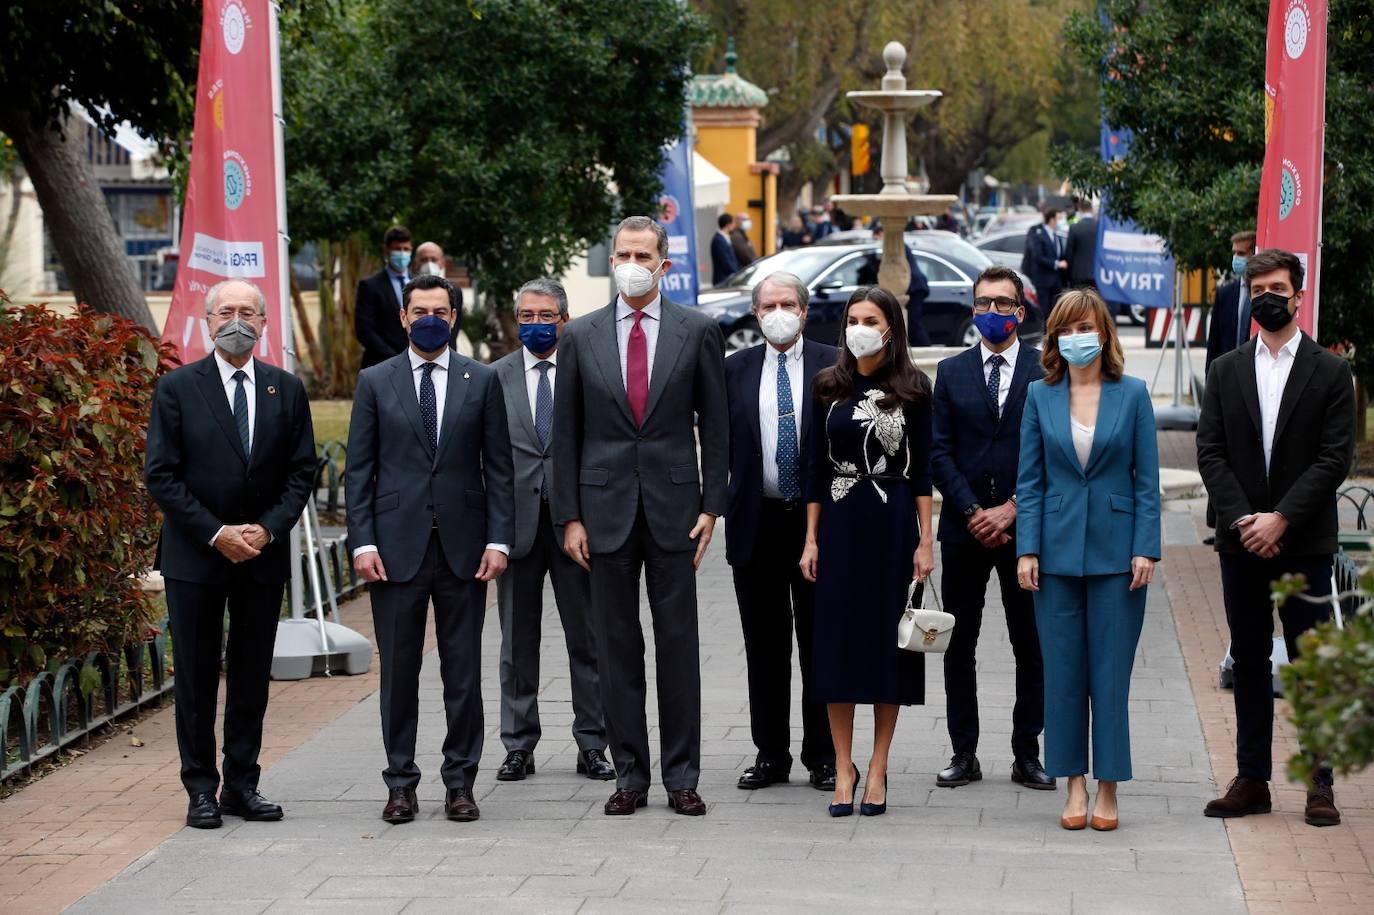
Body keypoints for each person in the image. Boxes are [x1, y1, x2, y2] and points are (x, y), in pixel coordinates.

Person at [551, 215, 729, 817]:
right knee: (616, 647)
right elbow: (566, 434)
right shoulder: (580, 336)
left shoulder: (698, 330)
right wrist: (569, 517)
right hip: (602, 513)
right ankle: (630, 774)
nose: (631, 262)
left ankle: (682, 775)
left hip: (675, 510)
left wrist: (712, 505)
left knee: (678, 645)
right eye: (622, 252)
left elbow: (718, 426)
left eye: (641, 253)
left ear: (663, 264)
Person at [144, 278, 316, 829]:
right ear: (207, 322)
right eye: (225, 312)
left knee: (249, 674)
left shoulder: (285, 389)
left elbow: (301, 471)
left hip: (261, 557)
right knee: (195, 676)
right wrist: (216, 532)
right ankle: (200, 789)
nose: (236, 321)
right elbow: (162, 476)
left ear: (264, 324)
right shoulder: (176, 388)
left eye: (247, 312)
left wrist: (265, 531)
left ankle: (243, 783)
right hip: (196, 557)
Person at [345, 273, 515, 825]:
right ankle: (400, 784)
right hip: (394, 552)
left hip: (465, 550)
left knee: (462, 673)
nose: (429, 319)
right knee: (399, 675)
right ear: (402, 317)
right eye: (419, 310)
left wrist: (498, 540)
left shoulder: (482, 380)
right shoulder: (375, 381)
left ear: (453, 316)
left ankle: (461, 783)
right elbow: (360, 472)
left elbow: (500, 468)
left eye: (440, 311)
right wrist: (363, 541)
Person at [1196, 248, 1354, 828]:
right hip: (1242, 543)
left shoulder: (1332, 371)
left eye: (1278, 287)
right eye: (1258, 286)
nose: (1268, 296)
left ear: (1298, 294)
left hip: (1304, 541)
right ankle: (1252, 779)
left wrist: (1281, 517)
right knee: (1252, 658)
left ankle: (1320, 782)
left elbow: (1335, 458)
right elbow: (1210, 452)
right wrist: (1245, 519)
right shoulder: (1226, 369)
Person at [1015, 287, 1161, 832]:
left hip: (1119, 555)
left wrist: (1146, 545)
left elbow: (1147, 482)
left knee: (1110, 674)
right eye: (1067, 329)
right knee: (1064, 675)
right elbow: (1029, 482)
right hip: (1051, 554)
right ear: (1055, 338)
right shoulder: (1039, 395)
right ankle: (1072, 784)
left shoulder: (1134, 394)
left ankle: (1109, 789)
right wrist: (1025, 547)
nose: (1078, 338)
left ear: (1104, 332)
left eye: (1086, 327)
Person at [799, 285, 935, 818]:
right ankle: (843, 765)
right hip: (838, 523)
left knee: (887, 650)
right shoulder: (826, 386)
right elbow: (813, 467)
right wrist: (810, 540)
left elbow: (922, 470)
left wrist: (926, 541)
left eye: (869, 318)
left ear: (890, 328)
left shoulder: (915, 389)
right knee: (836, 647)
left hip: (893, 523)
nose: (858, 326)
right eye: (852, 318)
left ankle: (877, 766)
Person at [930, 267, 1053, 792]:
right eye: (984, 303)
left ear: (1020, 313)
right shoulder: (950, 371)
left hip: (1025, 532)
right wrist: (972, 510)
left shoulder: (1045, 370)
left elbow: (1054, 450)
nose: (993, 313)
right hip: (964, 530)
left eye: (1004, 305)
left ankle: (1028, 753)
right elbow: (937, 451)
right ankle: (964, 752)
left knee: (1032, 644)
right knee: (961, 644)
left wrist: (1014, 509)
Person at [491, 278, 614, 783]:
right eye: (526, 316)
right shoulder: (493, 376)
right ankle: (519, 744)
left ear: (564, 319)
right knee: (517, 644)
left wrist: (584, 516)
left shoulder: (585, 373)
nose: (535, 324)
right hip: (516, 527)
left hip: (575, 527)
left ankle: (593, 743)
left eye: (545, 316)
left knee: (588, 640)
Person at [724, 272, 839, 792]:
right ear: (755, 312)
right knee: (764, 646)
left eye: (787, 303)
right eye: (768, 305)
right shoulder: (734, 369)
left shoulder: (836, 364)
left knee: (821, 641)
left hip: (819, 523)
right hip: (757, 522)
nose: (778, 312)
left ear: (805, 310)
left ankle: (824, 755)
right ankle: (770, 753)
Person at [355, 225, 413, 369]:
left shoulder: (420, 284)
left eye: (406, 249)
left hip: (415, 365)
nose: (402, 253)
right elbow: (364, 329)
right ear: (386, 250)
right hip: (380, 364)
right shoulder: (370, 286)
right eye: (397, 249)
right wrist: (394, 358)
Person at [866, 223, 931, 346]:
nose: (877, 240)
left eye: (877, 236)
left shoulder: (895, 245)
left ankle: (925, 346)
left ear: (881, 233)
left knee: (913, 322)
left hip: (914, 287)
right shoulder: (896, 245)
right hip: (911, 286)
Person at [1204, 231, 1258, 372]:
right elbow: (1214, 342)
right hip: (1228, 374)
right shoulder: (1225, 294)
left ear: (1255, 254)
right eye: (1234, 253)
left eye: (1241, 253)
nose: (1235, 259)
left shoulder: (1265, 293)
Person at [414, 240, 465, 349]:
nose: (429, 264)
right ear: (416, 263)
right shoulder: (408, 292)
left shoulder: (455, 291)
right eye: (424, 260)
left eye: (433, 259)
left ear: (442, 262)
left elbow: (455, 327)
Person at [1023, 209, 1066, 313]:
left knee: (1056, 311)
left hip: (1056, 281)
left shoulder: (1056, 235)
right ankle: (1045, 329)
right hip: (1043, 281)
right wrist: (1057, 264)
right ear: (1051, 220)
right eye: (1058, 219)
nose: (1059, 221)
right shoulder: (1038, 234)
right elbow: (1038, 257)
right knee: (1045, 311)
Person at [1063, 200, 1097, 291]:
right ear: (1092, 209)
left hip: (1078, 274)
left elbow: (1069, 253)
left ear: (1080, 210)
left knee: (1079, 303)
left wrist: (1067, 274)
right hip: (1097, 274)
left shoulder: (1074, 227)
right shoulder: (1099, 227)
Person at [711, 213, 741, 286]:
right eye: (733, 223)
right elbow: (725, 260)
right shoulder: (719, 240)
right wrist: (737, 273)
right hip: (722, 279)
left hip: (727, 278)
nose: (734, 225)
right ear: (728, 224)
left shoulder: (724, 238)